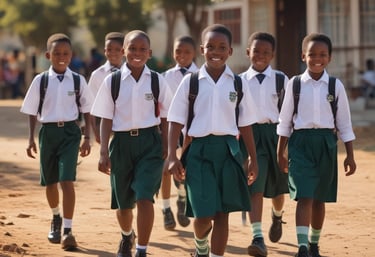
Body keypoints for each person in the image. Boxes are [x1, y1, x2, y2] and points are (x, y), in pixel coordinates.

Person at [167, 24, 259, 257]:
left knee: (222, 214)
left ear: (230, 51)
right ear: (202, 49)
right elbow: (175, 120)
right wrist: (171, 155)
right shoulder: (191, 82)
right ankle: (201, 248)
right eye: (210, 46)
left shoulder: (238, 83)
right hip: (198, 151)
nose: (215, 51)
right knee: (202, 215)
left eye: (222, 47)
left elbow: (246, 124)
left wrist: (253, 159)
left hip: (228, 152)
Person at [90, 30, 172, 257]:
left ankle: (142, 250)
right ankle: (127, 235)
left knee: (145, 197)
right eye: (132, 49)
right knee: (124, 204)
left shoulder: (157, 80)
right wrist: (103, 151)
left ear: (150, 53)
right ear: (124, 51)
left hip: (150, 143)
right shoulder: (112, 81)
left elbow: (166, 115)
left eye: (142, 49)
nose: (137, 53)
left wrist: (166, 143)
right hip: (122, 144)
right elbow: (105, 118)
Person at [277, 33, 356, 257]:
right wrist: (280, 153)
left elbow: (344, 123)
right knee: (304, 195)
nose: (317, 58)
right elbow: (284, 122)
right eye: (312, 54)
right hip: (300, 144)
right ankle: (302, 247)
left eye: (322, 54)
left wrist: (350, 154)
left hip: (326, 145)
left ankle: (313, 245)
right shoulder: (294, 85)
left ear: (329, 58)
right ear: (304, 56)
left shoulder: (335, 86)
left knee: (320, 198)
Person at [20, 33, 93, 251]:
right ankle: (56, 218)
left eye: (66, 53)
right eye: (57, 53)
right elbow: (32, 111)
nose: (61, 57)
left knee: (66, 180)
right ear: (47, 55)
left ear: (72, 55)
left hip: (70, 133)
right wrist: (31, 138)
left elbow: (88, 110)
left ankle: (68, 230)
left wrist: (87, 137)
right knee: (50, 182)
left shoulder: (79, 80)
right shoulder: (40, 80)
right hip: (48, 133)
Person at [239, 32, 289, 257]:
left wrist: (285, 146)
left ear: (273, 55)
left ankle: (277, 216)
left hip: (275, 134)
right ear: (248, 51)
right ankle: (257, 237)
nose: (260, 55)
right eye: (256, 51)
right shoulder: (238, 81)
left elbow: (288, 114)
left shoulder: (281, 80)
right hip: (249, 134)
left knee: (279, 187)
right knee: (254, 185)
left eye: (266, 52)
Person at [161, 35, 199, 230]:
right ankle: (166, 208)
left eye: (187, 52)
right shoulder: (165, 77)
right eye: (178, 51)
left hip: (191, 129)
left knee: (187, 168)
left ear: (195, 53)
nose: (182, 55)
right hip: (169, 127)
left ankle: (182, 199)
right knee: (166, 167)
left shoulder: (200, 76)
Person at [88, 32, 125, 143]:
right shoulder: (97, 75)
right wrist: (95, 131)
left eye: (117, 49)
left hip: (127, 127)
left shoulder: (133, 73)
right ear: (104, 51)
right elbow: (91, 106)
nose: (112, 53)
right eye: (109, 49)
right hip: (106, 128)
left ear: (124, 51)